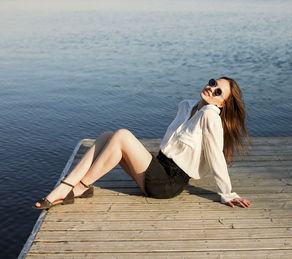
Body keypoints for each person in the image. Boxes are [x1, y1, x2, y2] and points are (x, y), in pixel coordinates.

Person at [33, 77, 251, 210]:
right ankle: (70, 184)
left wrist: (228, 193)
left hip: (168, 183)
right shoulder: (189, 106)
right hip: (160, 169)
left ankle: (78, 187)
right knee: (107, 136)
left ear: (221, 103)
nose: (211, 88)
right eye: (213, 83)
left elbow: (216, 156)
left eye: (218, 91)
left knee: (122, 135)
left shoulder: (210, 116)